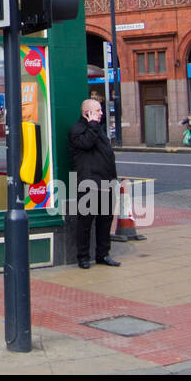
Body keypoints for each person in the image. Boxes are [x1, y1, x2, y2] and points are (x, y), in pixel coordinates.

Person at [67, 97, 119, 269]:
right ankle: (83, 257)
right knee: (85, 223)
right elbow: (87, 144)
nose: (102, 113)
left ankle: (103, 254)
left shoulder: (97, 129)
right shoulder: (78, 130)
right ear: (87, 113)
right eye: (98, 110)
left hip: (106, 182)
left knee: (105, 221)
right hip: (88, 183)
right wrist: (93, 125)